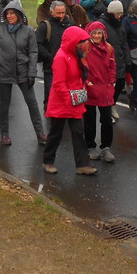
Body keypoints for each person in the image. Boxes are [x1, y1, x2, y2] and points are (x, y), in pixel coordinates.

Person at [0, 1, 46, 147]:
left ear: (19, 15)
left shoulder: (28, 31)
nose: (10, 16)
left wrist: (32, 73)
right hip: (3, 71)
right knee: (4, 105)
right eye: (7, 13)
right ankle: (5, 134)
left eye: (12, 13)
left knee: (32, 103)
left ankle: (40, 133)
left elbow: (33, 52)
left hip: (23, 71)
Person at [42, 25, 96, 176]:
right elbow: (58, 84)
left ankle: (83, 165)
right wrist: (69, 99)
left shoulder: (76, 55)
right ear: (73, 41)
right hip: (62, 102)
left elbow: (77, 76)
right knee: (55, 133)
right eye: (81, 42)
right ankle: (48, 161)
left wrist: (83, 85)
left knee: (79, 132)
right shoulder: (60, 57)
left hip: (74, 101)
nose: (83, 45)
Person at [83, 20, 117, 162]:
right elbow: (81, 66)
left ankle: (106, 147)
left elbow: (112, 66)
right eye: (94, 33)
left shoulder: (109, 48)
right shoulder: (85, 47)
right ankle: (90, 145)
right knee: (89, 119)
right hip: (90, 88)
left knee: (106, 120)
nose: (97, 36)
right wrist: (87, 82)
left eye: (99, 33)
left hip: (105, 88)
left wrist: (111, 81)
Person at [37, 0, 73, 110]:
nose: (61, 16)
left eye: (63, 13)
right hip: (50, 66)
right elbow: (38, 44)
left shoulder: (70, 24)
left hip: (67, 65)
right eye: (58, 13)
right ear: (51, 12)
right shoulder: (45, 26)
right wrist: (50, 57)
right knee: (50, 92)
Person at [101, 0, 130, 118]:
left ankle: (112, 104)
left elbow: (124, 43)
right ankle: (107, 111)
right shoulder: (102, 24)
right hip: (107, 62)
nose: (120, 16)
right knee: (107, 88)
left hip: (120, 60)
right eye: (118, 14)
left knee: (120, 84)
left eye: (121, 14)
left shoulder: (119, 24)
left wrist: (128, 61)